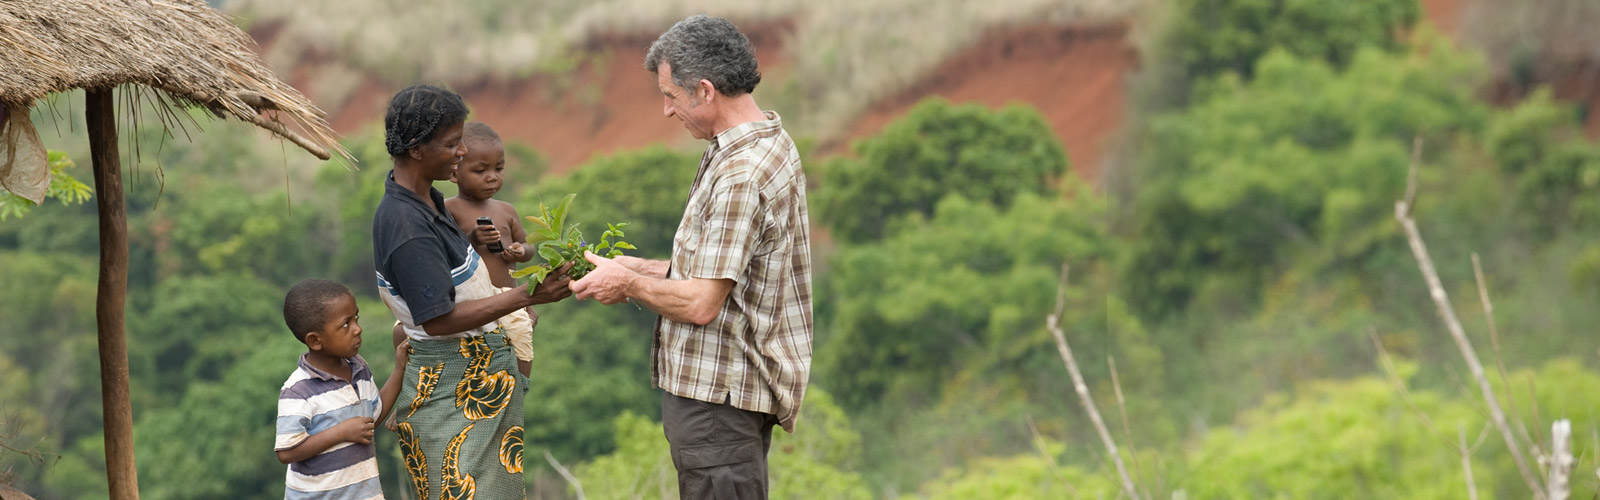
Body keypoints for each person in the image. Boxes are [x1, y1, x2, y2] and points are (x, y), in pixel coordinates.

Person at [570, 14, 814, 499]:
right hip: (730, 397)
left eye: (670, 96)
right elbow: (726, 274)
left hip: (717, 402)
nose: (665, 110)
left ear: (705, 91)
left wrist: (628, 285)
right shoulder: (765, 141)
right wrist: (630, 267)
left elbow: (702, 303)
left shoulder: (741, 173)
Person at [372, 84, 572, 499]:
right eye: (451, 144)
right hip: (451, 395)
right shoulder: (407, 226)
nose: (462, 152)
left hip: (475, 387)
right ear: (416, 149)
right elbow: (438, 319)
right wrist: (528, 296)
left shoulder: (431, 201)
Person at [274, 278, 408, 499]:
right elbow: (286, 451)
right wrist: (341, 432)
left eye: (356, 317)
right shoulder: (298, 390)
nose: (357, 329)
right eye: (346, 324)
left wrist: (399, 371)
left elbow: (372, 417)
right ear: (315, 340)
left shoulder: (359, 368)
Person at [442, 122, 537, 377]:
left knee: (521, 335)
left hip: (508, 295)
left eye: (499, 168)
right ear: (454, 174)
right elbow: (446, 251)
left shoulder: (506, 210)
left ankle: (519, 386)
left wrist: (520, 250)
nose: (492, 177)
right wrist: (472, 238)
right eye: (481, 170)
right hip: (472, 299)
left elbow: (530, 248)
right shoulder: (449, 208)